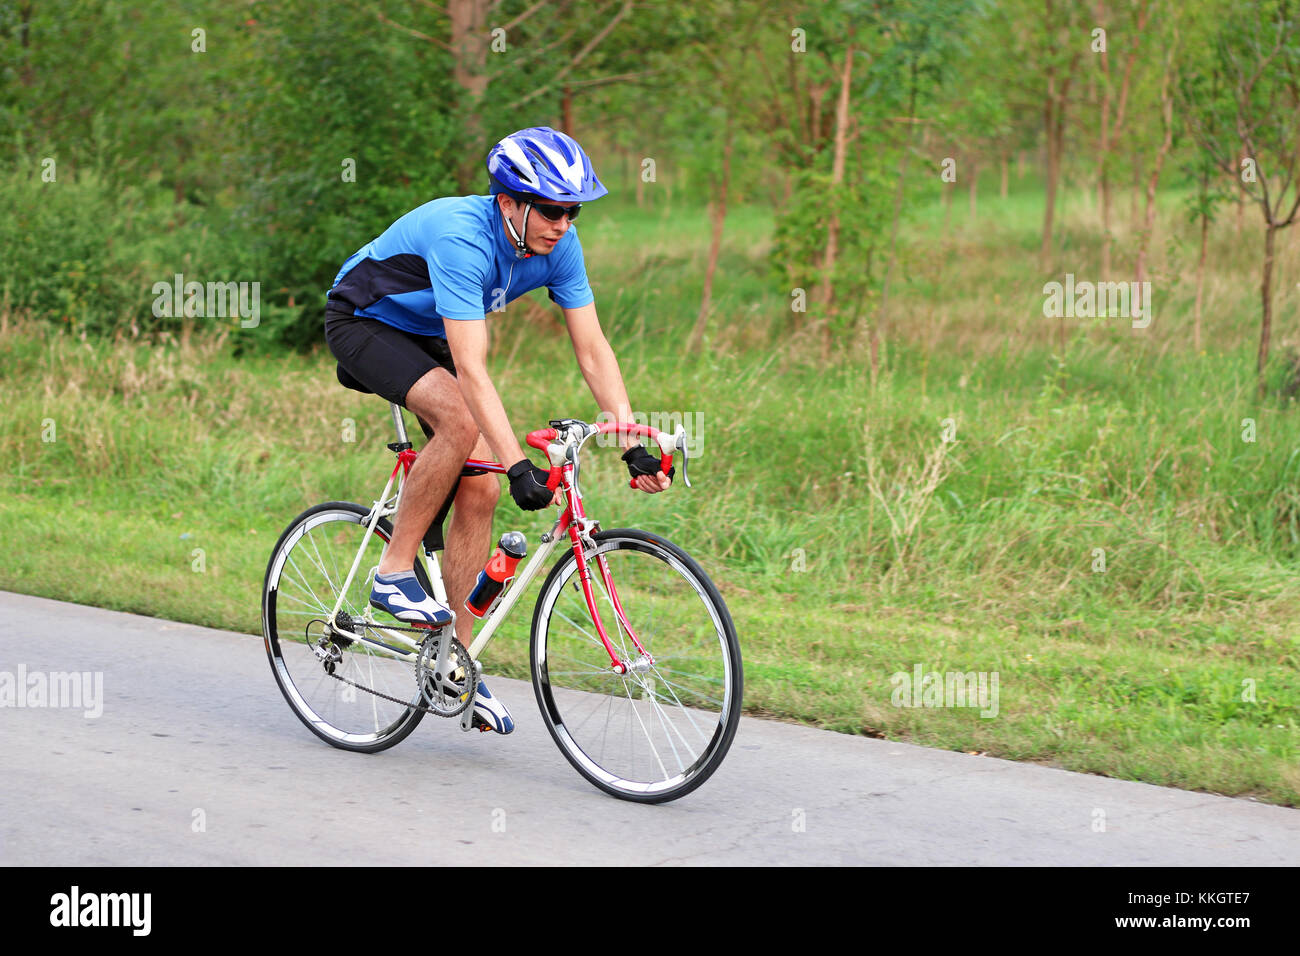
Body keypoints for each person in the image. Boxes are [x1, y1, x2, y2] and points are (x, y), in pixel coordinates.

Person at [323, 126, 673, 735]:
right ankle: (393, 572)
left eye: (574, 211)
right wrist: (519, 465)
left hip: (427, 331)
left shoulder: (559, 246)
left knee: (479, 486)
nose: (564, 224)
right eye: (552, 210)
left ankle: (454, 666)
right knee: (460, 421)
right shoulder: (465, 237)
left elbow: (592, 347)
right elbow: (472, 370)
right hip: (363, 321)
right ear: (509, 201)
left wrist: (630, 439)